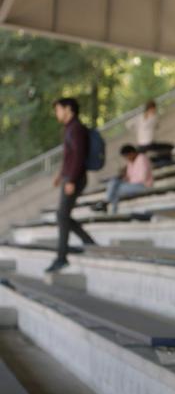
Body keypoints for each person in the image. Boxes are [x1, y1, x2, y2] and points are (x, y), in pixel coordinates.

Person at [46, 98, 96, 273]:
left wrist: (72, 179)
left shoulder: (76, 129)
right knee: (62, 216)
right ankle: (87, 243)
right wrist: (61, 175)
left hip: (75, 178)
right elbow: (69, 156)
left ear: (68, 109)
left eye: (58, 109)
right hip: (69, 177)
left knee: (62, 216)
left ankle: (62, 257)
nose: (57, 113)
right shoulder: (69, 128)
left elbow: (79, 156)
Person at [103, 144, 153, 214]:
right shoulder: (130, 162)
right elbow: (130, 177)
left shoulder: (142, 158)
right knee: (113, 181)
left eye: (127, 156)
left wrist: (128, 180)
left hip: (143, 186)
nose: (127, 158)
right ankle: (110, 207)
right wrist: (124, 176)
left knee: (116, 189)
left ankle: (108, 205)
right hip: (133, 185)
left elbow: (142, 178)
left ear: (132, 153)